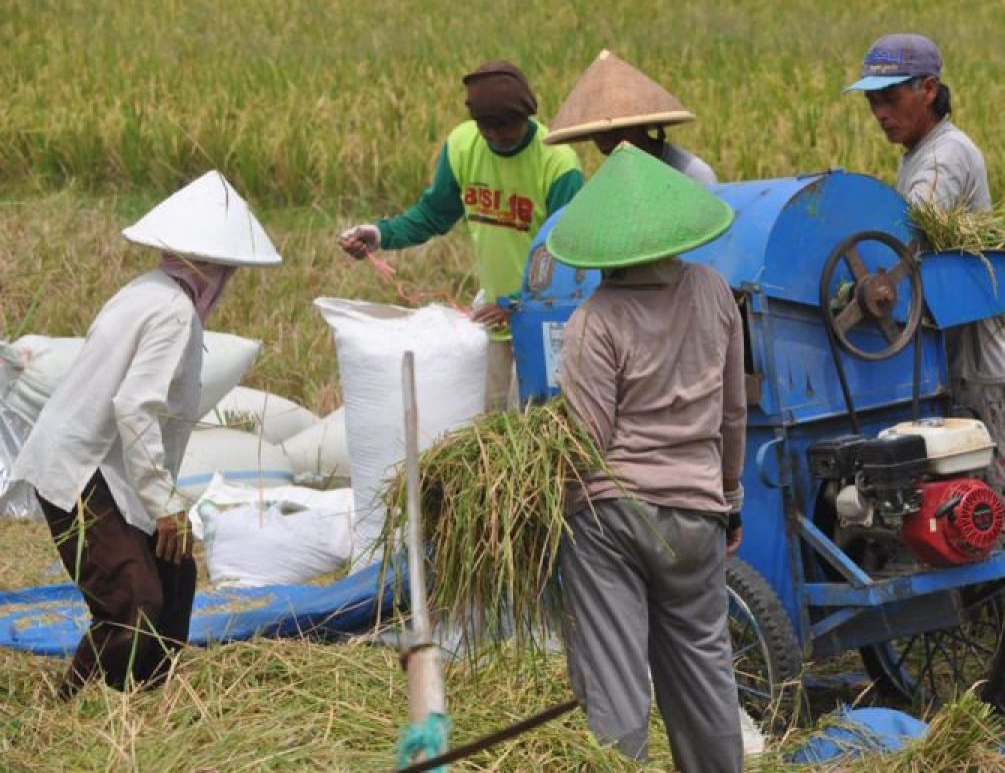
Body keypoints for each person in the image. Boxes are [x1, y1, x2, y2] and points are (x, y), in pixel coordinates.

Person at [9, 171, 282, 699]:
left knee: (175, 578)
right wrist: (164, 505)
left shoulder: (149, 292)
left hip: (109, 467)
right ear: (211, 268)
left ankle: (148, 696)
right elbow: (134, 407)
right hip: (78, 470)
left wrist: (161, 502)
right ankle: (81, 708)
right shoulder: (173, 311)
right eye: (226, 269)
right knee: (133, 603)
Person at [844, 33, 1005, 653]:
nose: (880, 113)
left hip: (972, 361)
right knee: (946, 500)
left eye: (890, 97)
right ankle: (984, 633)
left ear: (928, 90)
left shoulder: (945, 158)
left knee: (999, 498)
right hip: (938, 359)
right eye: (871, 102)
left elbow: (903, 253)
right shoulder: (917, 154)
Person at [551, 144, 746, 771]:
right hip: (696, 511)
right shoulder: (715, 292)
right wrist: (730, 498)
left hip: (613, 518)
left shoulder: (595, 319)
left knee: (616, 677)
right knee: (704, 669)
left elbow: (584, 439)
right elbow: (733, 411)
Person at [338, 60, 584, 411]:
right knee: (492, 423)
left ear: (527, 117)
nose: (498, 137)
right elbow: (433, 214)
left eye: (508, 128)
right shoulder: (463, 146)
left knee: (540, 423)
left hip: (546, 321)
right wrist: (380, 234)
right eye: (488, 129)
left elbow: (569, 255)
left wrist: (516, 303)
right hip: (493, 317)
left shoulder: (558, 164)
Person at [544, 49, 718, 185]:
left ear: (640, 125)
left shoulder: (691, 175)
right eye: (598, 133)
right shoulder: (609, 183)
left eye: (618, 131)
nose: (607, 141)